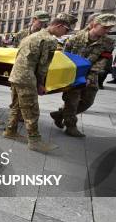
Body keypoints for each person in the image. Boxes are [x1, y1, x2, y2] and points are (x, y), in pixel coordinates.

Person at [4, 17, 71, 152]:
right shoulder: (50, 40)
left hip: (16, 76)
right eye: (66, 29)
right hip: (27, 78)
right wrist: (40, 83)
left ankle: (10, 130)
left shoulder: (31, 36)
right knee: (32, 110)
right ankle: (34, 141)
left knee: (17, 106)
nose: (65, 32)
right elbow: (43, 65)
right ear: (59, 26)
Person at [50, 14, 116, 137]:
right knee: (72, 101)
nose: (107, 31)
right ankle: (71, 126)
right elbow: (65, 56)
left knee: (87, 101)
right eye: (105, 27)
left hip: (92, 75)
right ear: (94, 25)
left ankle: (59, 115)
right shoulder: (76, 38)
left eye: (109, 28)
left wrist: (90, 76)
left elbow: (103, 60)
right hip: (74, 74)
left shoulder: (109, 42)